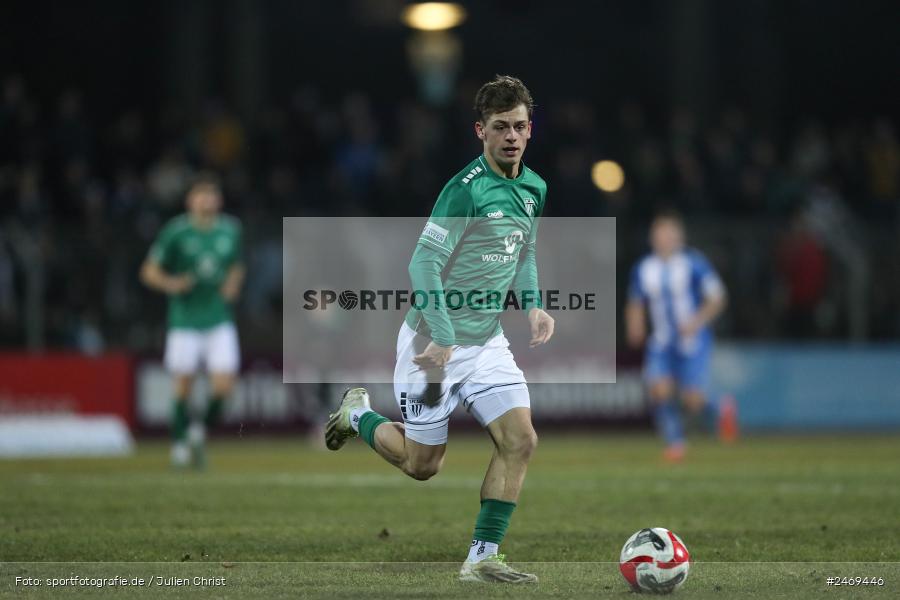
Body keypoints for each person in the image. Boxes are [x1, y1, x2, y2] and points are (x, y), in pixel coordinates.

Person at [325, 75, 554, 584]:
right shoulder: (463, 192)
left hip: (488, 342)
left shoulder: (534, 188)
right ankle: (357, 414)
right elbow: (422, 265)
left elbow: (526, 250)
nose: (511, 136)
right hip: (431, 341)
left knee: (520, 439)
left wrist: (534, 305)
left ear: (530, 129)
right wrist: (445, 334)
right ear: (481, 131)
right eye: (500, 127)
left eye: (518, 126)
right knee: (422, 465)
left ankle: (482, 558)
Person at [140, 174, 245, 468]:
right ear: (190, 200)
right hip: (184, 320)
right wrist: (171, 283)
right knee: (183, 385)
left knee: (224, 386)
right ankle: (178, 446)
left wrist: (233, 284)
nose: (206, 201)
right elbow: (148, 271)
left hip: (218, 318)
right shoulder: (176, 232)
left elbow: (236, 265)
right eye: (201, 195)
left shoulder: (230, 229)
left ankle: (198, 431)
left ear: (218, 200)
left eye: (211, 195)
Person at [625, 210, 736, 462]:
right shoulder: (644, 268)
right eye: (659, 234)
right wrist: (635, 325)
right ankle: (675, 442)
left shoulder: (694, 263)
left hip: (692, 342)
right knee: (659, 389)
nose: (663, 239)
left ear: (679, 237)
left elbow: (718, 297)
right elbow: (635, 301)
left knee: (692, 399)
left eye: (668, 234)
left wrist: (697, 321)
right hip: (662, 341)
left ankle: (721, 410)